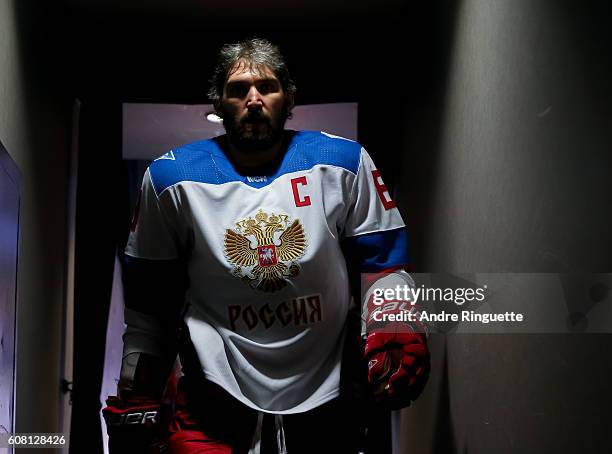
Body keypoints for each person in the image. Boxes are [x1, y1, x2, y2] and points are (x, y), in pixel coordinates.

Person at [102, 37, 430, 454]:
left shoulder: (344, 162)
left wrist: (395, 327)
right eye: (237, 90)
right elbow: (150, 305)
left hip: (325, 380)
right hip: (214, 384)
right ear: (218, 103)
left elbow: (381, 266)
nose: (253, 99)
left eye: (267, 88)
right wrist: (138, 387)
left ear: (289, 99)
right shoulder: (171, 178)